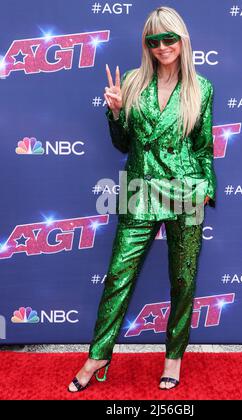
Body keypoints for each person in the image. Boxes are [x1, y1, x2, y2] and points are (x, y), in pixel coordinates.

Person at [68, 5, 216, 392]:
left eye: (169, 38)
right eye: (154, 40)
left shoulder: (202, 88)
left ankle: (173, 358)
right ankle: (97, 356)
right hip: (140, 192)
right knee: (118, 275)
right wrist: (115, 113)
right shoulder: (132, 81)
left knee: (183, 281)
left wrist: (206, 191)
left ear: (182, 41)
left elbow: (203, 148)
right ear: (146, 45)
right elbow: (122, 145)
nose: (163, 46)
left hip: (185, 191)